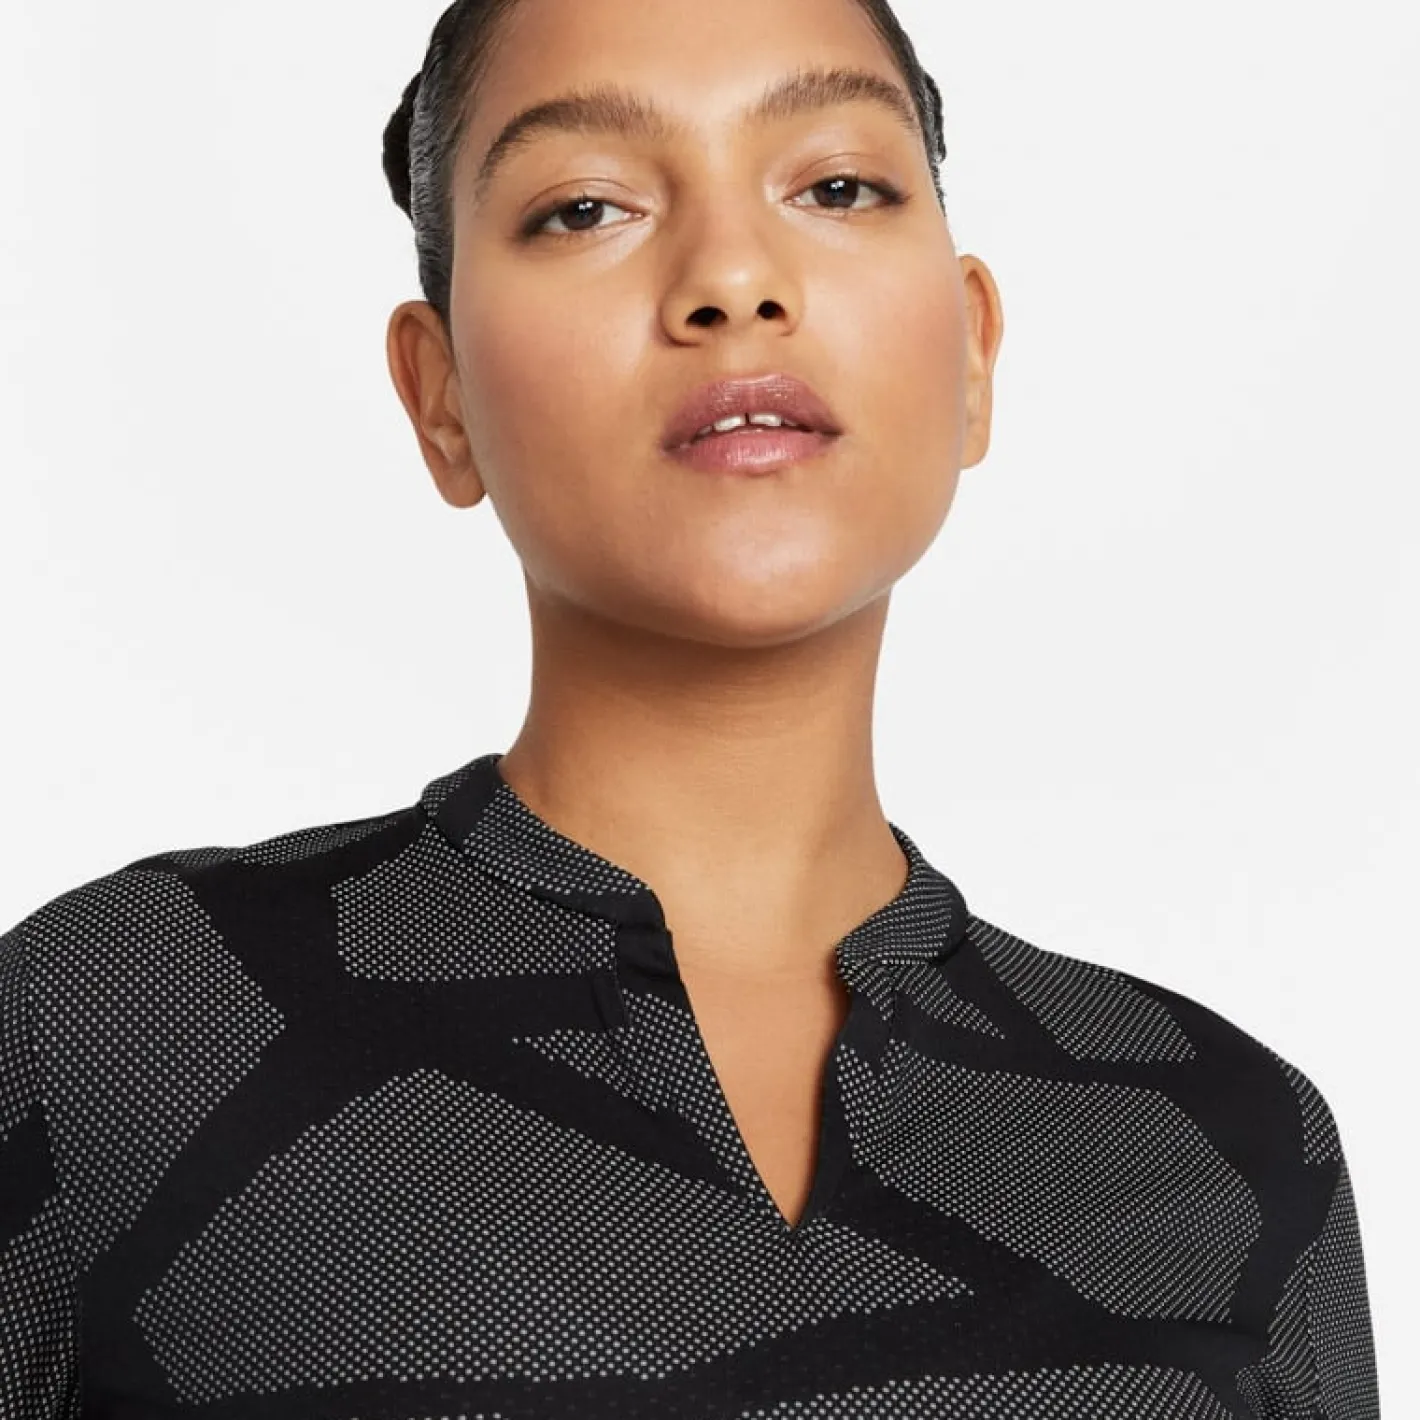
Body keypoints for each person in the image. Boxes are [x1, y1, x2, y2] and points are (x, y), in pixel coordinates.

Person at [0, 0, 1382, 1414]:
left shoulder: (1236, 1150)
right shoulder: (117, 1019)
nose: (732, 279)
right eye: (586, 207)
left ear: (971, 353)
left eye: (836, 186)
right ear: (442, 397)